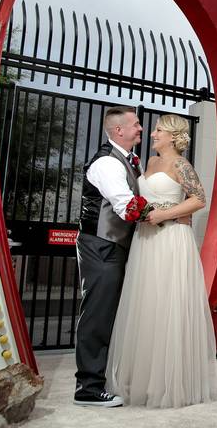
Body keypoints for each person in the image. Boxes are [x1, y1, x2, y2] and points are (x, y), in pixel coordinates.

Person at [106, 114, 217, 408]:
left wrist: (163, 214)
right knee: (148, 305)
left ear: (171, 135)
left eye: (157, 130)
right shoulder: (150, 163)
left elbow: (199, 199)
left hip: (171, 240)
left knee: (169, 306)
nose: (152, 134)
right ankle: (144, 380)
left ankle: (172, 384)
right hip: (146, 242)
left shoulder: (181, 164)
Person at [73, 106, 143, 407]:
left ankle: (105, 377)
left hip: (117, 246)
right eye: (136, 124)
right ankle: (87, 388)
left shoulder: (129, 161)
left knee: (113, 315)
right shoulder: (107, 163)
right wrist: (169, 216)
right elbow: (127, 207)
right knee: (98, 315)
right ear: (119, 131)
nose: (140, 128)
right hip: (101, 246)